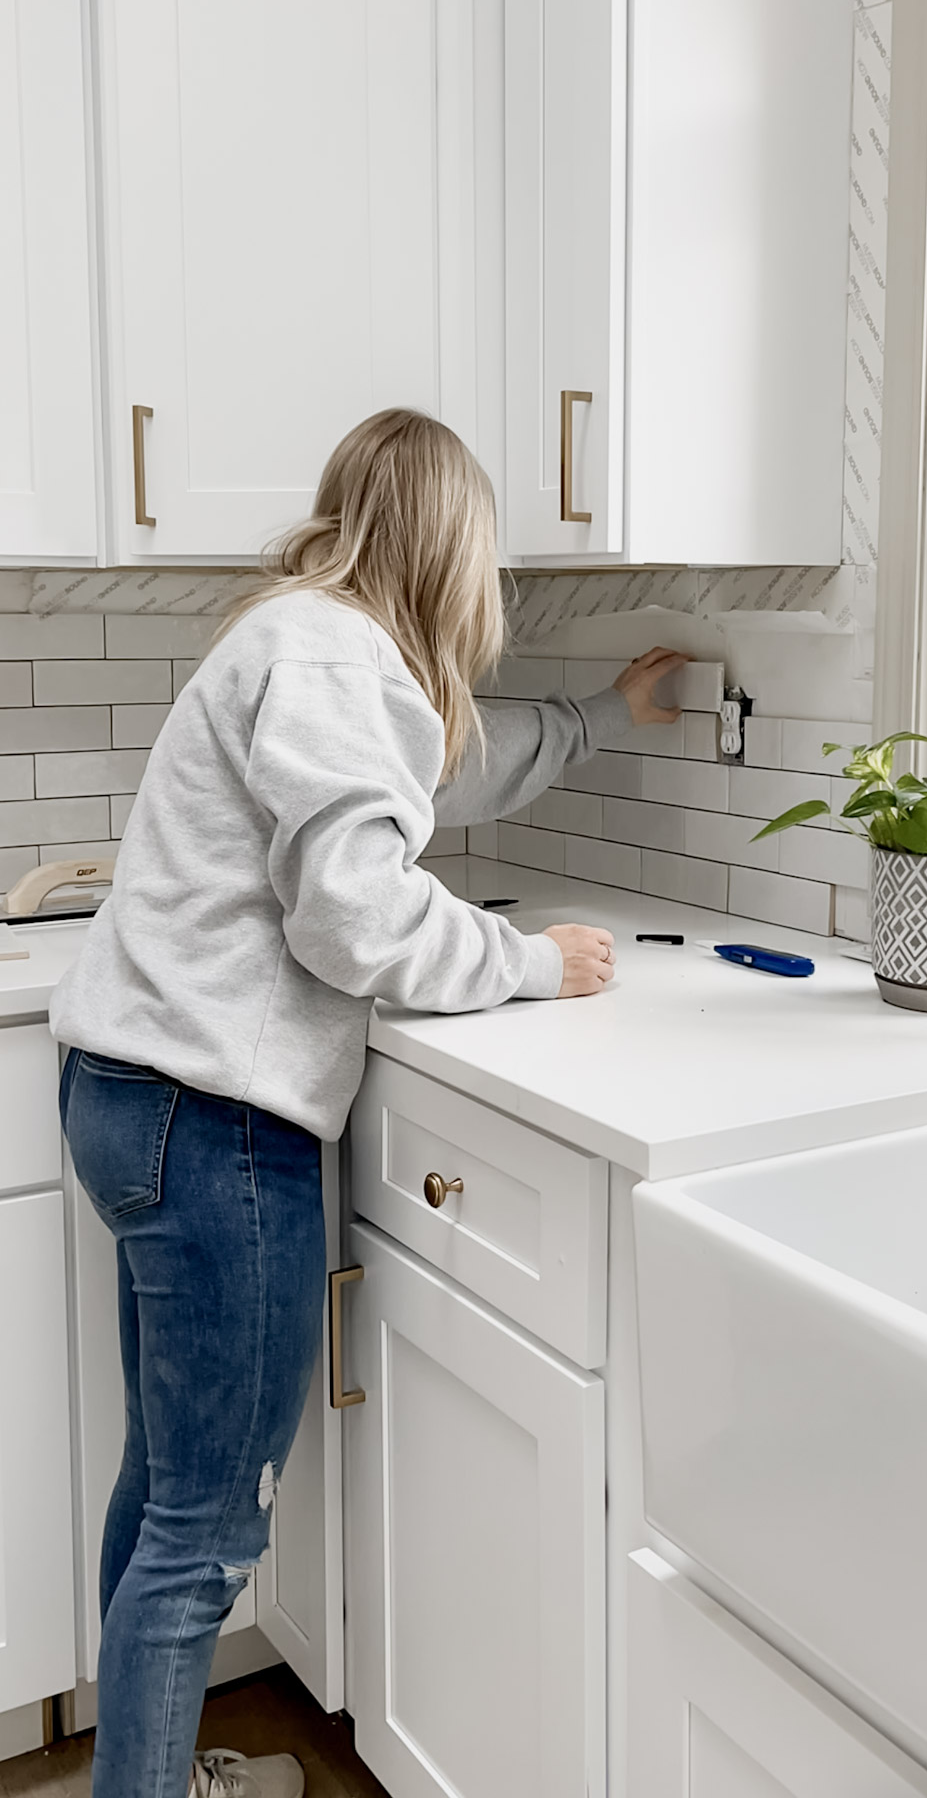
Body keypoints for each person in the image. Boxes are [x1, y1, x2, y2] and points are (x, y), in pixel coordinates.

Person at [50, 408, 686, 1798]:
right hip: (211, 1123)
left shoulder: (300, 635)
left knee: (163, 1495)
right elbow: (353, 914)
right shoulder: (337, 657)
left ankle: (150, 1777)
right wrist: (532, 961)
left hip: (131, 1097)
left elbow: (443, 768)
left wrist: (600, 718)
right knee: (204, 1533)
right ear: (454, 544)